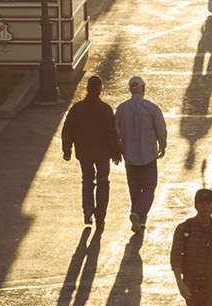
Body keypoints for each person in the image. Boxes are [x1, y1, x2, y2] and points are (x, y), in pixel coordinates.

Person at [61, 73, 121, 230]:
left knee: (87, 179)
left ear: (87, 89)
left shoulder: (77, 109)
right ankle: (100, 215)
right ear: (101, 89)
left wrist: (67, 150)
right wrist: (115, 152)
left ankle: (87, 209)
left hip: (84, 151)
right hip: (102, 153)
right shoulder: (105, 109)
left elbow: (68, 130)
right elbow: (111, 132)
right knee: (103, 182)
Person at [114, 75, 169, 232]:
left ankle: (138, 218)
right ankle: (139, 214)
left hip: (130, 156)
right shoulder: (151, 108)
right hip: (148, 155)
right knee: (150, 186)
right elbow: (161, 129)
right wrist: (162, 145)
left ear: (129, 89)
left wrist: (118, 149)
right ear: (143, 89)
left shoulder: (122, 109)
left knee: (134, 188)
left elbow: (115, 131)